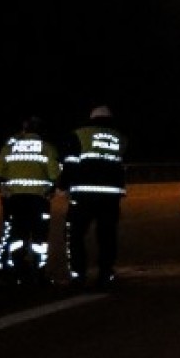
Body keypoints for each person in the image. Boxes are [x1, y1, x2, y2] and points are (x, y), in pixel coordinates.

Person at [59, 105, 128, 289]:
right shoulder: (120, 137)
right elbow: (122, 164)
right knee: (107, 236)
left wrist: (63, 186)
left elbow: (70, 162)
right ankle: (105, 275)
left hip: (84, 193)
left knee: (74, 235)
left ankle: (78, 275)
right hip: (111, 196)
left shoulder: (80, 134)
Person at [0, 116, 62, 285]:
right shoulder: (46, 148)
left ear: (24, 130)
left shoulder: (11, 147)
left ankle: (18, 270)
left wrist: (6, 184)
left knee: (17, 235)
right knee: (39, 238)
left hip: (15, 199)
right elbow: (55, 174)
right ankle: (38, 273)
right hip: (39, 199)